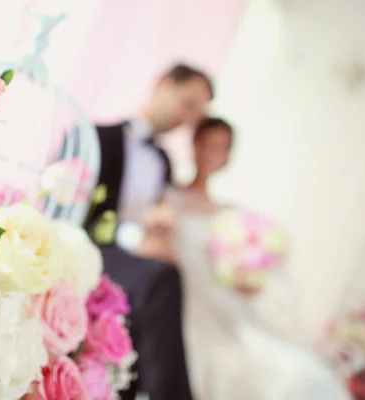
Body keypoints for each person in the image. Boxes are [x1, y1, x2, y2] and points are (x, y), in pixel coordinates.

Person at [136, 118, 349, 400]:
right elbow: (147, 253)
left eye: (221, 148)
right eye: (209, 145)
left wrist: (247, 278)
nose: (213, 153)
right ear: (195, 146)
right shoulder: (167, 197)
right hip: (180, 303)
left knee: (293, 373)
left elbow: (244, 274)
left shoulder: (231, 214)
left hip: (223, 307)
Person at [86, 64, 213, 400]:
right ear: (163, 84)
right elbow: (76, 214)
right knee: (164, 279)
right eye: (187, 103)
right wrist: (134, 237)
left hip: (137, 265)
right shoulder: (97, 137)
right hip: (94, 252)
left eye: (196, 114)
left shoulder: (164, 162)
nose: (186, 119)